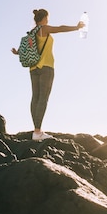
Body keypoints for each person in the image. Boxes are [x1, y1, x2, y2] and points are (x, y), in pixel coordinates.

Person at [12, 9, 85, 140]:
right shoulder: (43, 29)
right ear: (45, 17)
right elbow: (60, 28)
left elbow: (27, 50)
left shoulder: (32, 33)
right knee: (43, 99)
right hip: (46, 67)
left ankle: (36, 130)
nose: (48, 20)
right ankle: (38, 131)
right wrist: (76, 27)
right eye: (48, 17)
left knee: (35, 98)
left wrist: (17, 53)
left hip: (33, 68)